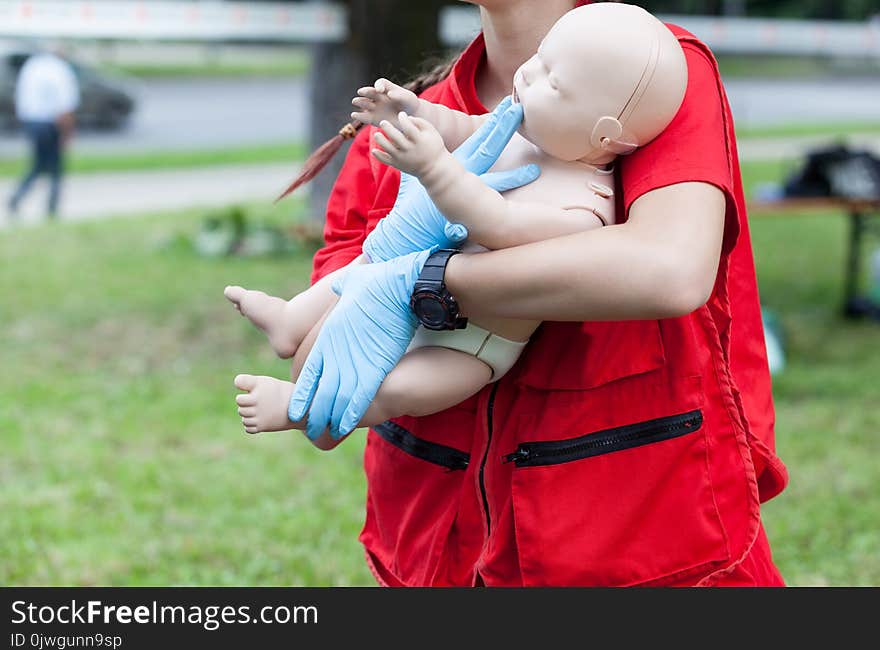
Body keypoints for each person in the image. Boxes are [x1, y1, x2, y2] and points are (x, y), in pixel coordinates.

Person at [245, 0, 790, 586]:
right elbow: (319, 359)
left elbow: (666, 272)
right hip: (435, 548)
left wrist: (422, 280)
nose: (537, 81)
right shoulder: (409, 126)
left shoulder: (649, 71)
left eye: (554, 77)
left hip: (638, 549)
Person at [226, 3, 688, 440]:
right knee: (367, 267)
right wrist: (414, 113)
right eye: (540, 59)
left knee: (409, 389)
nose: (528, 74)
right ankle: (291, 319)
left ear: (603, 133)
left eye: (553, 82)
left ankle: (296, 408)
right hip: (423, 280)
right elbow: (462, 127)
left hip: (476, 342)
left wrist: (435, 170)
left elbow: (496, 224)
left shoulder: (586, 209)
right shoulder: (526, 132)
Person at [6, 44, 79, 221]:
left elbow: (21, 97)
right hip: (51, 122)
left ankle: (18, 197)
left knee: (38, 163)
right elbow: (65, 106)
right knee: (55, 167)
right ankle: (51, 209)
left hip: (31, 121)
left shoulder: (32, 66)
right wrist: (67, 134)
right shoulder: (60, 70)